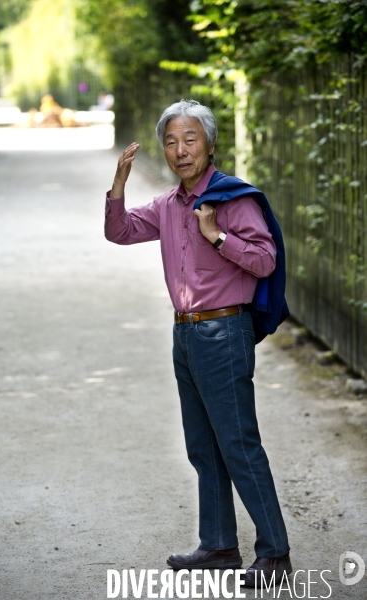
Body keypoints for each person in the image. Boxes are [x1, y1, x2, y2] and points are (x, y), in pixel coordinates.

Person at [104, 99, 292, 587]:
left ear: (210, 144)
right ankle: (219, 546)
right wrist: (118, 188)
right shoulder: (168, 205)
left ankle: (275, 555)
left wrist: (216, 236)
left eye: (190, 139)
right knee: (203, 446)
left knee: (239, 444)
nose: (180, 150)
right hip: (185, 333)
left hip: (224, 332)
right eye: (171, 140)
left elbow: (265, 260)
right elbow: (120, 231)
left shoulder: (233, 200)